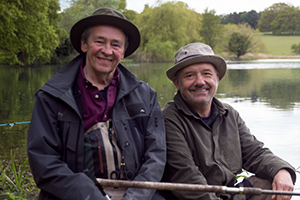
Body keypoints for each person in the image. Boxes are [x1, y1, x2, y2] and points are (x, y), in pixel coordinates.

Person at [27, 8, 166, 200]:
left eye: (116, 45)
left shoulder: (146, 95)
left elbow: (156, 155)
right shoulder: (51, 96)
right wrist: (89, 195)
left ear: (123, 52)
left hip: (136, 194)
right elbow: (44, 163)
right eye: (99, 41)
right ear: (84, 44)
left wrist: (137, 196)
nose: (107, 51)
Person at [162, 42, 296, 200]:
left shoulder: (229, 114)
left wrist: (282, 170)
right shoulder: (169, 118)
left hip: (231, 194)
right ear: (177, 83)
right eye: (190, 75)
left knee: (273, 185)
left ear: (217, 78)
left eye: (206, 74)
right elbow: (187, 179)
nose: (200, 81)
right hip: (196, 197)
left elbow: (256, 153)